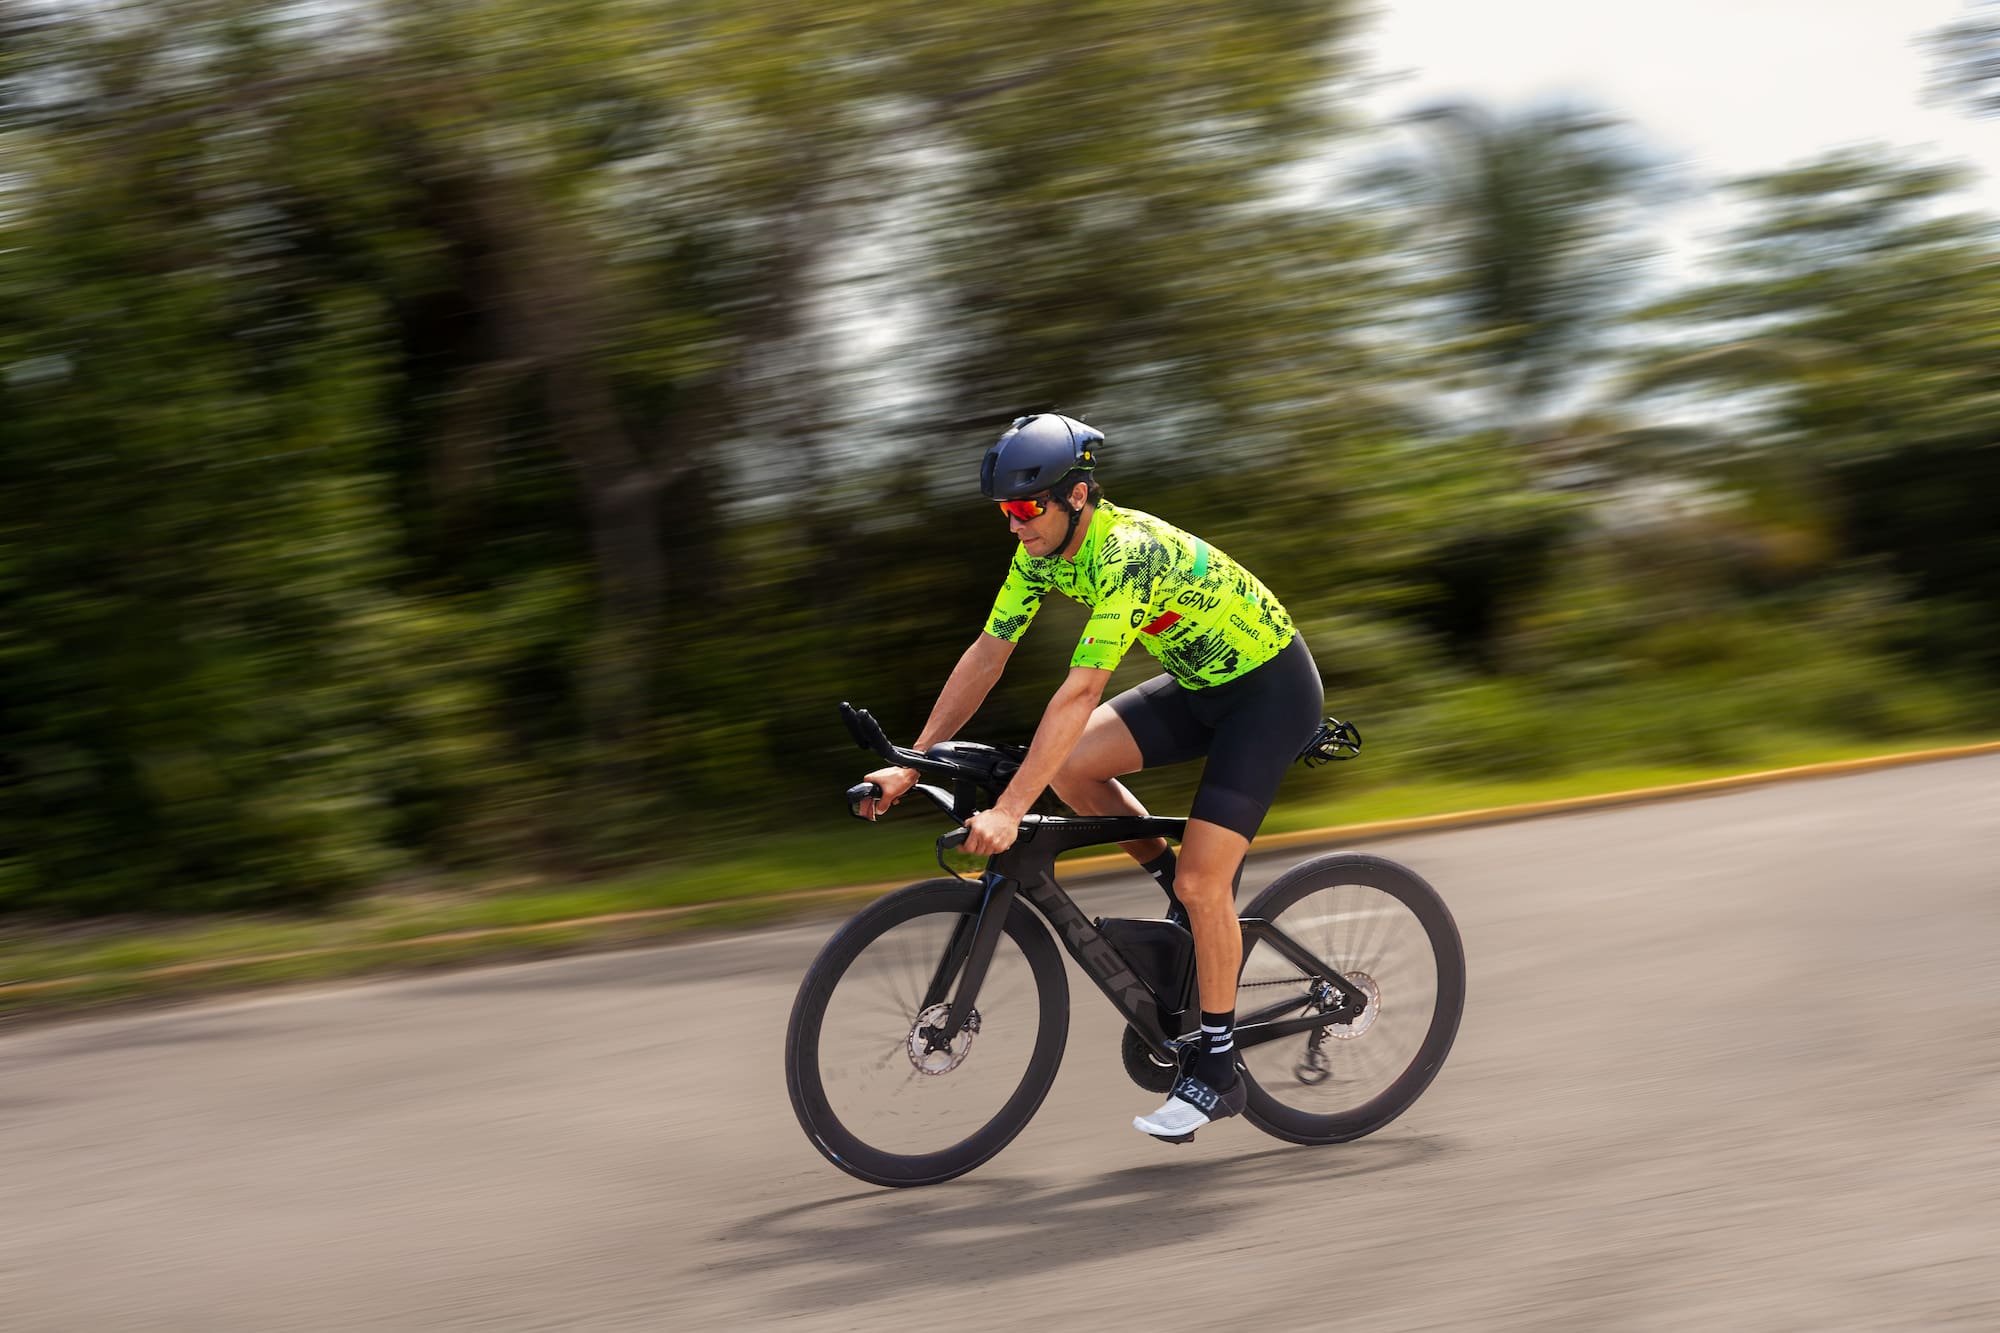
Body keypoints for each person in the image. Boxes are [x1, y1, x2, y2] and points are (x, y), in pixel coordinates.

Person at [859, 412, 1326, 1142]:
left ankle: (1219, 1067)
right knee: (1075, 768)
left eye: (1025, 508)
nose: (1014, 525)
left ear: (1075, 495)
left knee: (1209, 882)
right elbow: (988, 653)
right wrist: (912, 762)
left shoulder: (1125, 552)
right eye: (1004, 512)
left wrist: (1012, 808)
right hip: (1200, 683)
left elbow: (1078, 694)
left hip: (1269, 692)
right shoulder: (1039, 553)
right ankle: (1176, 887)